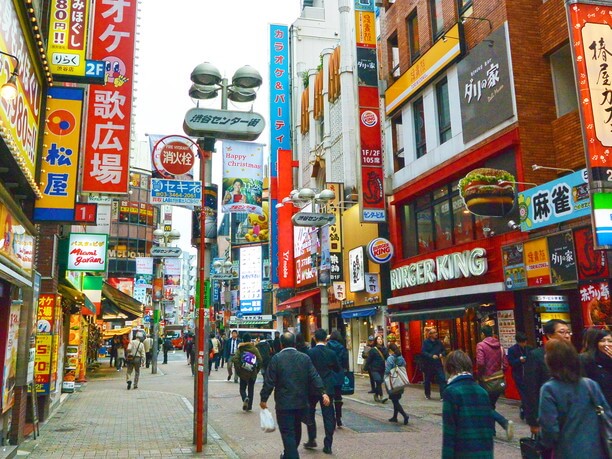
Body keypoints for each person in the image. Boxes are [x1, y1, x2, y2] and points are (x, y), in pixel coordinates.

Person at [260, 332, 330, 459]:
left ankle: (291, 455)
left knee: (287, 433)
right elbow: (314, 376)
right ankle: (288, 454)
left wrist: (264, 398)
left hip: (284, 403)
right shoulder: (304, 358)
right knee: (296, 431)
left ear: (281, 345)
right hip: (301, 402)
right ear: (294, 343)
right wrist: (323, 392)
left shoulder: (276, 359)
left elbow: (269, 381)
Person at [538, 338, 611, 459]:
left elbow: (549, 429)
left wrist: (544, 446)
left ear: (551, 361)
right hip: (598, 450)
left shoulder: (549, 389)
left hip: (567, 451)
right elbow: (607, 415)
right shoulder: (590, 384)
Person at [523, 318, 572, 446]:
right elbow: (530, 390)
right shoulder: (537, 356)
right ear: (549, 335)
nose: (567, 335)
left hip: (571, 415)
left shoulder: (572, 355)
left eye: (568, 332)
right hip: (548, 415)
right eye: (562, 332)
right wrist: (533, 421)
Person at [442, 350, 494, 459]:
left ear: (450, 368)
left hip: (463, 452)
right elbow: (488, 429)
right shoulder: (482, 392)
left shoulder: (451, 392)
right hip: (484, 453)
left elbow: (449, 432)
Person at [304, 328, 339, 454]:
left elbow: (306, 371)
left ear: (314, 338)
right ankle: (328, 444)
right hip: (328, 388)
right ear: (326, 339)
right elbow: (338, 368)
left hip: (312, 388)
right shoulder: (331, 353)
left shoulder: (309, 353)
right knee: (328, 415)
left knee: (310, 413)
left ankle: (312, 438)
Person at [476, 325, 513, 440]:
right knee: (490, 405)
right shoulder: (500, 346)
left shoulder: (480, 345)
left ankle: (505, 423)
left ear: (482, 334)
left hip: (486, 381)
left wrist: (480, 374)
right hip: (499, 381)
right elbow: (506, 364)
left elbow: (480, 363)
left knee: (483, 406)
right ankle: (491, 431)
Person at [581, 328, 612, 406]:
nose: (606, 344)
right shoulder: (587, 359)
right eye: (602, 341)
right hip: (596, 403)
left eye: (610, 341)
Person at [231, 333, 262, 411]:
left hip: (243, 373)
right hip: (252, 372)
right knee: (251, 389)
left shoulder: (241, 348)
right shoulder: (254, 349)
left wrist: (239, 368)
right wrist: (256, 370)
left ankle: (245, 398)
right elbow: (260, 360)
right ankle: (250, 406)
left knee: (242, 388)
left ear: (243, 340)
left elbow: (235, 359)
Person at [507, 331, 532, 420]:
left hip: (529, 375)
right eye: (522, 342)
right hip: (519, 376)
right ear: (518, 342)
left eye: (525, 341)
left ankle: (525, 409)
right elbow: (511, 363)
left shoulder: (529, 349)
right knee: (524, 396)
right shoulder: (512, 350)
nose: (524, 344)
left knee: (530, 395)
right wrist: (519, 360)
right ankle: (526, 412)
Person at [326, 330, 349, 427]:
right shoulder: (342, 348)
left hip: (329, 374)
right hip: (339, 374)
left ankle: (331, 419)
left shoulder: (327, 347)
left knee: (330, 398)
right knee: (338, 397)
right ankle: (338, 417)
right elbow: (345, 362)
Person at [384, 343, 409, 425]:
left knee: (394, 401)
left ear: (390, 350)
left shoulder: (390, 358)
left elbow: (388, 370)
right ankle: (395, 417)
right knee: (396, 399)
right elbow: (405, 365)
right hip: (400, 381)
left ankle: (405, 415)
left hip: (393, 382)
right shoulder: (401, 357)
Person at [421, 328, 447, 400]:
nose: (436, 334)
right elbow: (423, 352)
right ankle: (427, 394)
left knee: (442, 378)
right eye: (434, 332)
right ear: (430, 335)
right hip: (429, 364)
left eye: (436, 332)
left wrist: (442, 354)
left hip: (438, 363)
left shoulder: (439, 342)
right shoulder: (426, 342)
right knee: (428, 379)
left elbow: (444, 350)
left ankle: (443, 395)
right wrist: (431, 356)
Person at [365, 335, 388, 403]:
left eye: (381, 339)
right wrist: (365, 367)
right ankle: (381, 396)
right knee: (378, 381)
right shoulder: (373, 350)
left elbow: (387, 358)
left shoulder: (385, 349)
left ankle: (376, 394)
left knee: (379, 382)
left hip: (382, 368)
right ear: (376, 341)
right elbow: (369, 359)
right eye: (378, 339)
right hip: (374, 369)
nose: (380, 340)